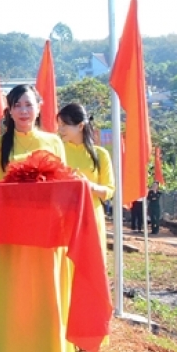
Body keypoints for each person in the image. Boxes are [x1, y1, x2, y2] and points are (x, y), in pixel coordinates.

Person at [0, 84, 73, 352]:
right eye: (17, 105)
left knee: (48, 299)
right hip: (12, 236)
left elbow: (63, 184)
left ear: (39, 107)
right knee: (14, 302)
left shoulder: (53, 141)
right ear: (9, 110)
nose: (23, 111)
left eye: (28, 105)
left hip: (47, 236)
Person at [58, 102, 114, 254]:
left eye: (64, 125)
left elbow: (109, 191)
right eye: (59, 125)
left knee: (91, 264)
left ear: (80, 126)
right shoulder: (57, 151)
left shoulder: (100, 154)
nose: (60, 130)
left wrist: (88, 185)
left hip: (91, 216)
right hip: (63, 217)